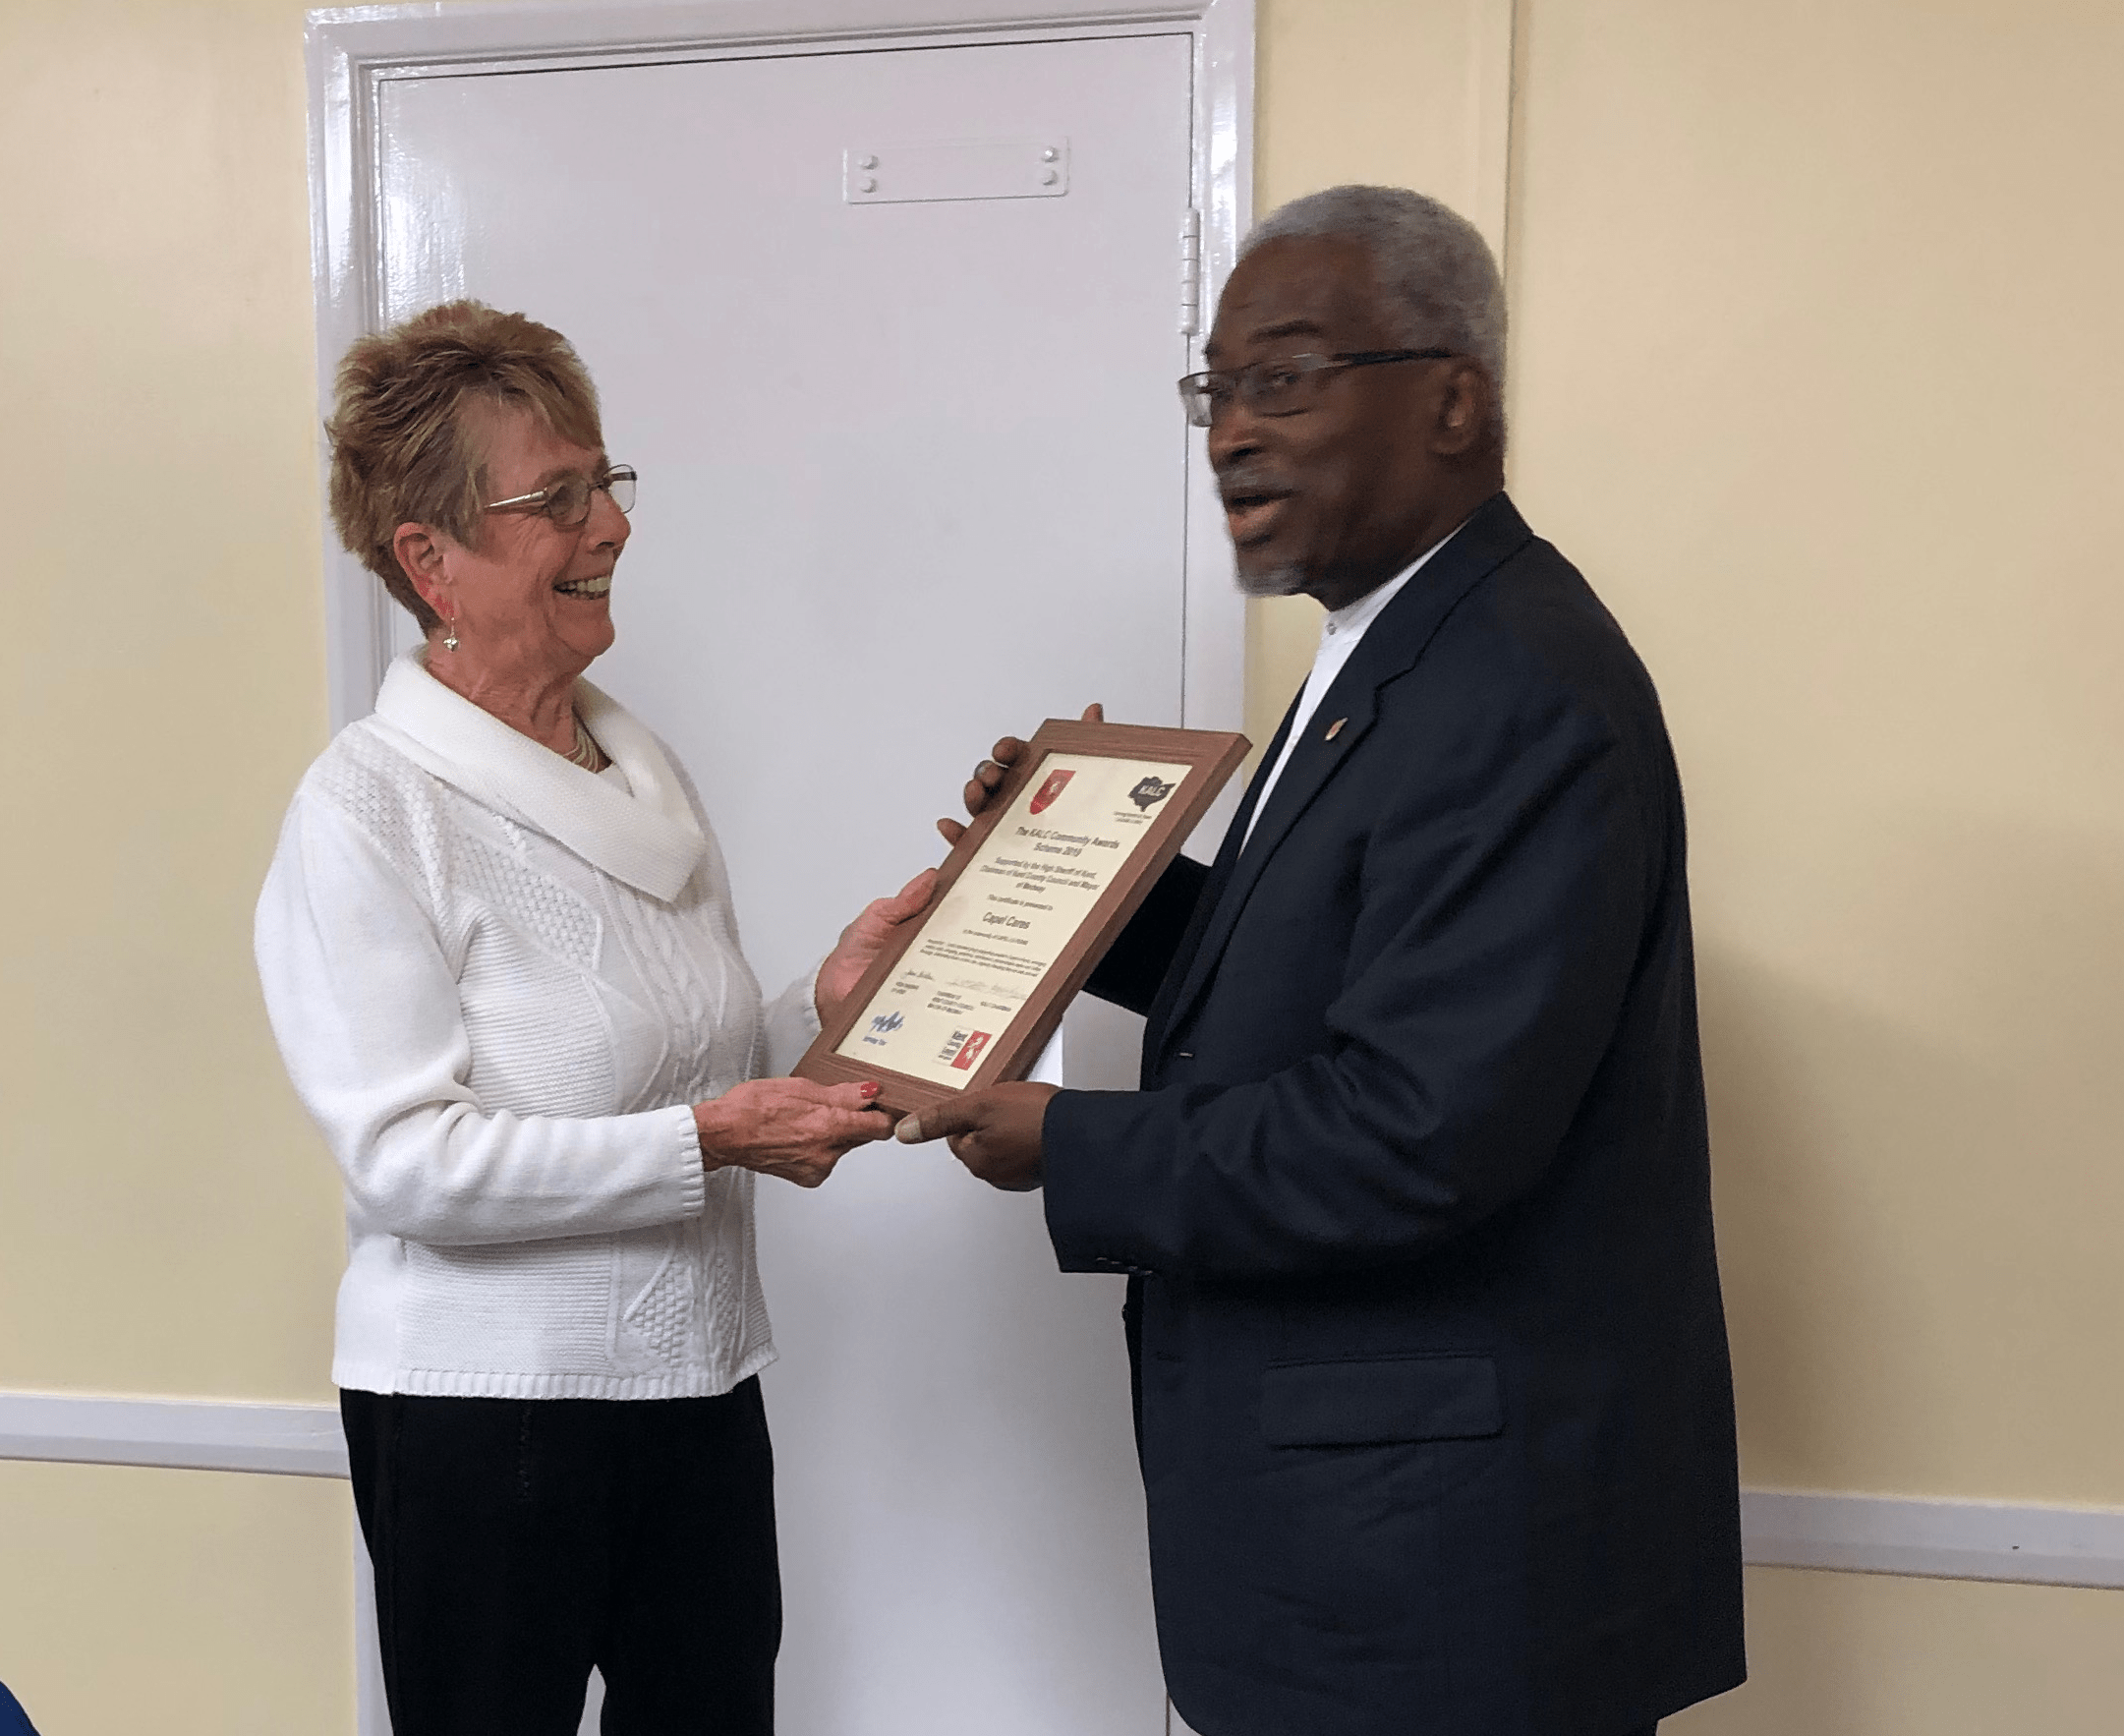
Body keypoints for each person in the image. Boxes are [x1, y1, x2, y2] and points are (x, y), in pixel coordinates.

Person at [904, 187, 1746, 1735]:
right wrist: (1067, 884)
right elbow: (1334, 971)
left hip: (1441, 1585)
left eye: (1283, 378)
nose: (1231, 431)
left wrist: (1065, 1143)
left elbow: (1417, 1130)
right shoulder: (1399, 648)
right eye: (1213, 387)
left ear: (1451, 399)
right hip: (1366, 1559)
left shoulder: (1517, 683)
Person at [256, 302, 927, 1735]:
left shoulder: (636, 766)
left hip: (697, 1382)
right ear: (429, 559)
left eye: (607, 480)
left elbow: (671, 1054)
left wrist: (822, 996)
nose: (610, 524)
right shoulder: (367, 808)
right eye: (555, 498)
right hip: (482, 1421)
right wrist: (707, 1142)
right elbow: (410, 1160)